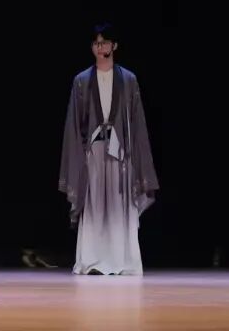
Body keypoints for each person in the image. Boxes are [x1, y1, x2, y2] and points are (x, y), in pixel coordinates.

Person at [59, 23, 158, 276]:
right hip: (94, 150)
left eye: (104, 42)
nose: (100, 47)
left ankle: (122, 260)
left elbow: (136, 121)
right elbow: (74, 122)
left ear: (114, 45)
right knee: (94, 205)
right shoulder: (81, 81)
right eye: (96, 43)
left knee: (118, 204)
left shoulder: (128, 80)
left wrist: (135, 156)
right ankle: (91, 260)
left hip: (119, 151)